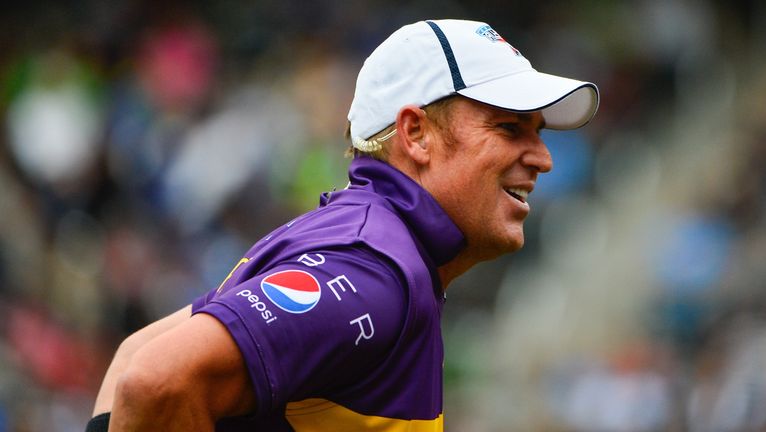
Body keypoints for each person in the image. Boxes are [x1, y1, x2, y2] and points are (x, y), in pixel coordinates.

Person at [87, 19, 599, 431]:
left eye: (538, 133)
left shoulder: (364, 240)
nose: (543, 158)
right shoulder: (376, 272)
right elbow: (155, 380)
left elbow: (135, 355)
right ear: (416, 134)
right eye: (509, 127)